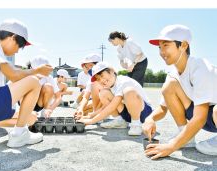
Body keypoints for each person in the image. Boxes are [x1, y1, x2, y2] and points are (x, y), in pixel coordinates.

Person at [0, 19, 53, 147]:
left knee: (31, 117)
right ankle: (18, 135)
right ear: (12, 37)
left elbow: (8, 84)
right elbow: (14, 76)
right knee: (33, 82)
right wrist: (37, 70)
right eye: (19, 46)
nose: (17, 51)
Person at [142, 24, 217, 159]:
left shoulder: (201, 66)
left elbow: (200, 118)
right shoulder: (172, 74)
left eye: (166, 45)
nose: (161, 52)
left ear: (183, 45)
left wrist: (171, 146)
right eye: (160, 47)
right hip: (209, 118)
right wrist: (149, 119)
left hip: (211, 114)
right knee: (169, 86)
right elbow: (163, 108)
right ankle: (186, 137)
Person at [77, 62, 153, 136]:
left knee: (129, 91)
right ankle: (119, 121)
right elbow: (106, 107)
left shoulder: (123, 81)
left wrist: (91, 121)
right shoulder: (110, 87)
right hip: (128, 114)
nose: (101, 80)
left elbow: (112, 106)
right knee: (104, 93)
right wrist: (90, 116)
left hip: (144, 114)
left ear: (112, 71)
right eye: (98, 79)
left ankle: (136, 124)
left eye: (102, 76)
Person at [74, 53, 102, 118]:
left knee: (92, 105)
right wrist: (81, 108)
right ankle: (96, 113)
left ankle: (98, 114)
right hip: (97, 102)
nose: (89, 68)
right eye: (87, 67)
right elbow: (86, 97)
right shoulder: (91, 80)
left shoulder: (107, 76)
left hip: (108, 103)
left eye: (91, 65)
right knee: (82, 108)